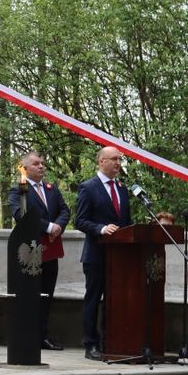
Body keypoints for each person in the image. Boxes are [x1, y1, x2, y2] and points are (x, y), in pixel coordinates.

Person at [8, 151, 70, 351]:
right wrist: (48, 227)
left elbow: (64, 211)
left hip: (50, 249)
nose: (42, 166)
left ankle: (42, 336)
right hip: (31, 250)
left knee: (46, 294)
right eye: (36, 163)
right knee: (29, 295)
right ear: (25, 168)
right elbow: (20, 214)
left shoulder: (52, 190)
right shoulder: (18, 190)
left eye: (43, 163)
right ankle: (27, 335)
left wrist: (58, 226)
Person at [75, 146, 132, 360]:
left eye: (120, 159)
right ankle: (91, 344)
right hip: (96, 256)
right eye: (114, 159)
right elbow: (80, 221)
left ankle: (112, 342)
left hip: (118, 257)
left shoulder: (122, 189)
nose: (118, 163)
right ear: (101, 161)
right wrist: (101, 228)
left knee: (114, 300)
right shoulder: (88, 187)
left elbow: (126, 223)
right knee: (93, 299)